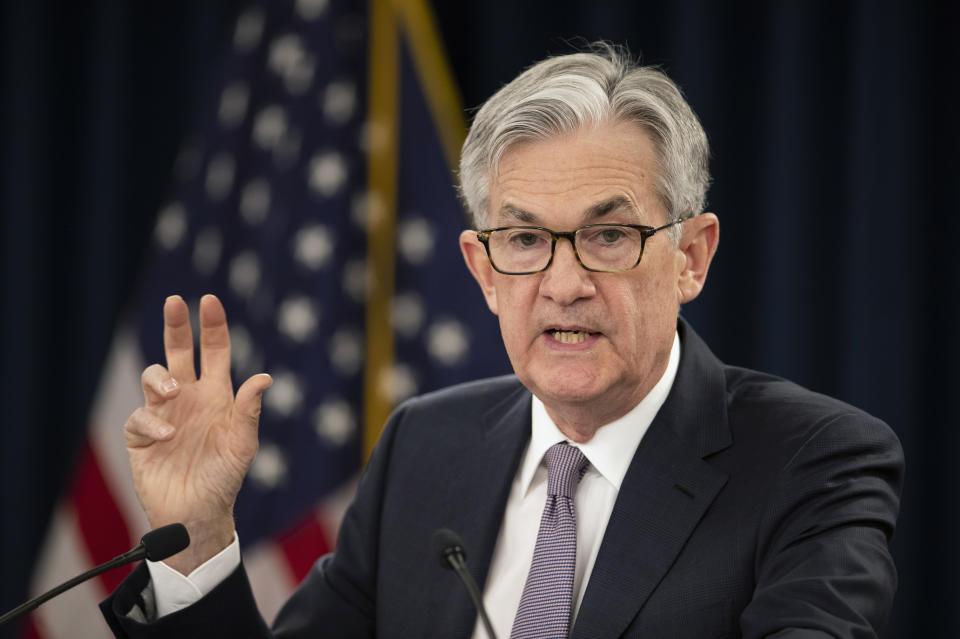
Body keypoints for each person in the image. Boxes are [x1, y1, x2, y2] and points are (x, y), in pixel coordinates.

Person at [101, 44, 903, 638]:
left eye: (609, 235)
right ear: (482, 269)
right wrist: (200, 535)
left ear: (690, 256)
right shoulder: (426, 445)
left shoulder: (813, 462)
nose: (563, 283)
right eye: (523, 242)